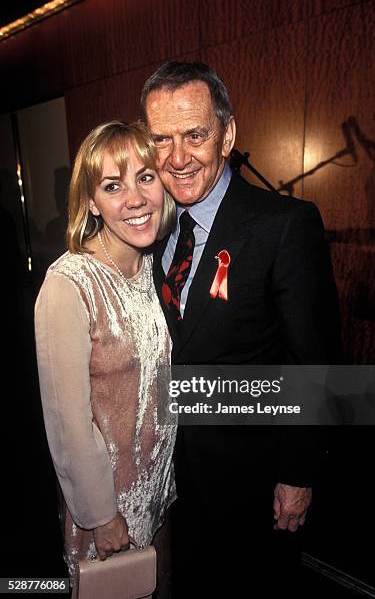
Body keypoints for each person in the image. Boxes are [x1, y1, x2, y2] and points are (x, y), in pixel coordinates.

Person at [141, 61, 342, 597]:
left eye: (194, 135)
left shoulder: (285, 225)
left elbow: (315, 366)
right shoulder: (147, 228)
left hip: (253, 485)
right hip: (166, 483)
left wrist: (298, 475)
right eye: (161, 139)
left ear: (228, 135)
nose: (176, 158)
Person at [34, 121, 177, 596]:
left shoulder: (156, 267)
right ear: (92, 202)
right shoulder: (69, 282)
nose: (134, 198)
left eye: (145, 177)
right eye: (113, 186)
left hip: (161, 497)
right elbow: (66, 418)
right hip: (107, 514)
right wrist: (100, 515)